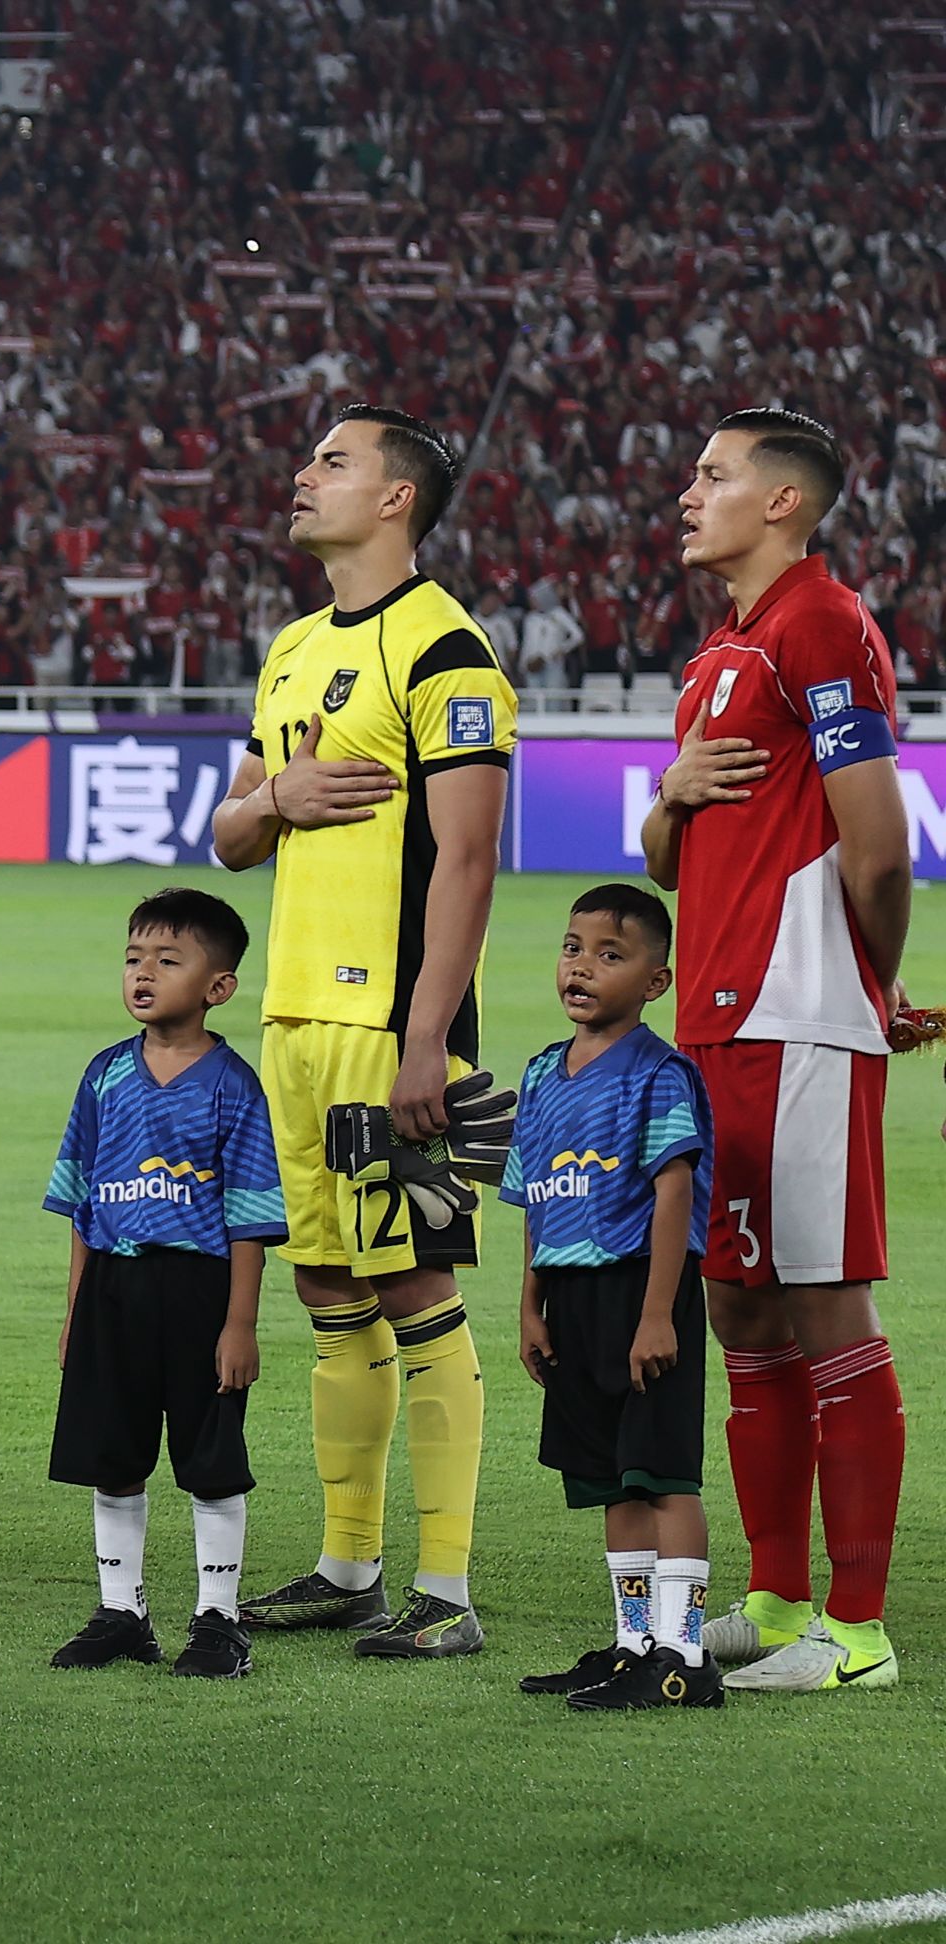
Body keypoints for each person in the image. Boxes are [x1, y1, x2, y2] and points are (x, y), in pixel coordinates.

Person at [212, 406, 518, 1658]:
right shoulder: (291, 649)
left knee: (415, 1286)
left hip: (390, 1025)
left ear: (397, 498)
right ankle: (351, 1565)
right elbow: (231, 835)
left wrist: (427, 1036)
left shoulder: (445, 646)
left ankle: (447, 1590)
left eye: (333, 461)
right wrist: (278, 796)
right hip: (292, 1017)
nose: (303, 475)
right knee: (330, 1288)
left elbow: (470, 857)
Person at [642, 408, 913, 1692]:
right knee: (740, 1303)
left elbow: (881, 848)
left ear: (785, 502)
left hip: (797, 1010)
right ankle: (777, 1595)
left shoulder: (822, 624)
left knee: (822, 1300)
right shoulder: (719, 652)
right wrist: (671, 792)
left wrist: (871, 980)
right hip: (712, 1021)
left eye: (714, 474)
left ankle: (857, 1631)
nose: (688, 494)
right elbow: (665, 857)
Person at [40, 888, 282, 1681]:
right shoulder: (105, 1075)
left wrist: (239, 1324)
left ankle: (219, 1621)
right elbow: (81, 1204)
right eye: (133, 958)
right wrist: (76, 1312)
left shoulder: (233, 1085)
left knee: (210, 1462)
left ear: (219, 987)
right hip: (113, 1290)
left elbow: (250, 1218)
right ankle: (122, 1612)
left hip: (200, 1293)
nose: (143, 974)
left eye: (168, 961)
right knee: (114, 1455)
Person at [506, 885, 721, 1710]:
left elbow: (674, 1192)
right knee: (611, 1479)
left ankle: (685, 1656)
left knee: (664, 1476)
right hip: (572, 1298)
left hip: (642, 1290)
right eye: (573, 948)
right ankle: (635, 1647)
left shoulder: (659, 1074)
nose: (582, 968)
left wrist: (658, 1313)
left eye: (610, 955)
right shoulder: (540, 1074)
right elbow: (537, 1199)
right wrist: (531, 1305)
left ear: (655, 982)